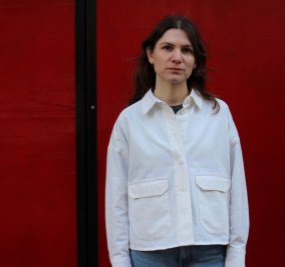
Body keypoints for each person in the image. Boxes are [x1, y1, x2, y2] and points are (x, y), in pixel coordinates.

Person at [105, 15, 249, 267]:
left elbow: (237, 187)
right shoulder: (129, 121)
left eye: (186, 50)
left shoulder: (218, 114)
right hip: (150, 255)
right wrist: (119, 260)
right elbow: (116, 198)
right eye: (167, 47)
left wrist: (236, 255)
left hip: (210, 253)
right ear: (151, 54)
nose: (177, 57)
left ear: (195, 61)